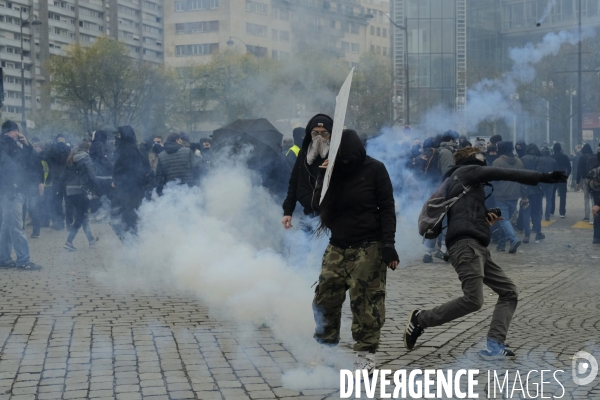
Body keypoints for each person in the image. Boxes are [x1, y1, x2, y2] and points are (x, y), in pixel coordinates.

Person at [403, 147, 567, 359]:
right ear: (473, 161)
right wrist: (543, 177)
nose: (486, 165)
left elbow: (466, 215)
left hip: (476, 245)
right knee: (473, 300)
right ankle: (421, 319)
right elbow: (503, 173)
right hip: (466, 245)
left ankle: (494, 344)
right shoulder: (465, 172)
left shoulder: (464, 183)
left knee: (508, 292)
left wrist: (486, 219)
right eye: (482, 160)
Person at [311, 129, 398, 373]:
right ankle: (325, 348)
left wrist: (388, 245)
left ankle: (365, 354)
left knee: (366, 301)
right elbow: (317, 205)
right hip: (337, 244)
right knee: (325, 297)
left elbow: (387, 208)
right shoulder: (332, 170)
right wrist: (323, 176)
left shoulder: (375, 169)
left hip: (369, 245)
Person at [0, 121, 43, 270]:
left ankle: (4, 259)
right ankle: (23, 260)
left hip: (11, 190)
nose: (18, 134)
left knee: (6, 226)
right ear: (11, 132)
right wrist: (15, 183)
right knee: (17, 227)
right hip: (12, 191)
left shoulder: (13, 145)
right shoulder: (5, 144)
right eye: (15, 132)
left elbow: (32, 162)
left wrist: (27, 145)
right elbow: (10, 166)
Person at [282, 114, 333, 231]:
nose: (319, 137)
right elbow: (294, 182)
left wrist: (330, 170)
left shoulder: (337, 155)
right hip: (307, 214)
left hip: (327, 217)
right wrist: (288, 211)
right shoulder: (304, 153)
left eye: (324, 133)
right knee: (297, 248)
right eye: (315, 133)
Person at [110, 126, 151, 241]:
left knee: (121, 215)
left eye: (118, 135)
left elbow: (127, 169)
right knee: (126, 216)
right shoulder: (133, 148)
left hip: (127, 189)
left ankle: (132, 242)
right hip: (131, 188)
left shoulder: (126, 149)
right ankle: (131, 240)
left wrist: (117, 181)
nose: (117, 138)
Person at [59, 141, 100, 251]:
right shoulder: (86, 158)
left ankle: (91, 240)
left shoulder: (71, 157)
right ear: (87, 149)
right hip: (81, 191)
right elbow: (91, 175)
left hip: (70, 191)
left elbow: (63, 176)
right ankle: (69, 241)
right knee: (81, 216)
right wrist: (98, 188)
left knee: (83, 216)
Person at [492, 141, 526, 253]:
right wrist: (524, 196)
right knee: (505, 221)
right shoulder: (519, 162)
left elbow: (493, 180)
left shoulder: (497, 162)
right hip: (515, 195)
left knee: (503, 220)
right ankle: (501, 245)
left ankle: (513, 239)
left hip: (501, 195)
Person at [44, 134, 72, 230]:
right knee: (68, 202)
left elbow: (45, 157)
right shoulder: (69, 150)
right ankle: (69, 224)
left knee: (57, 202)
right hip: (67, 178)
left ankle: (59, 223)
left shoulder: (52, 150)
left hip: (56, 179)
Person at [520, 144, 545, 243]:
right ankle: (538, 233)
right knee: (536, 212)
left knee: (526, 212)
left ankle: (527, 235)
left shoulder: (522, 159)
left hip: (525, 189)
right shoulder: (539, 159)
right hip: (537, 189)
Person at [89, 130, 113, 215]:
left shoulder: (96, 144)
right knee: (104, 195)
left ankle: (98, 213)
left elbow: (100, 159)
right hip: (103, 175)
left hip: (98, 175)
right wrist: (111, 167)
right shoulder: (102, 144)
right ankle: (102, 213)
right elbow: (103, 159)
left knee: (98, 195)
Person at [25, 139, 45, 238]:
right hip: (28, 183)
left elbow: (40, 169)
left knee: (32, 207)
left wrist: (41, 182)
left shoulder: (32, 154)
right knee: (30, 207)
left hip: (31, 183)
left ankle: (36, 230)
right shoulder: (33, 153)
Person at [576, 143, 598, 223]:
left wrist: (577, 182)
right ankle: (595, 215)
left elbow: (579, 170)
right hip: (594, 179)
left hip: (585, 179)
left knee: (586, 197)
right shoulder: (595, 156)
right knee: (593, 197)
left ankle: (587, 216)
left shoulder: (582, 157)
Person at [550, 143, 571, 218]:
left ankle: (551, 211)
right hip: (562, 176)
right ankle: (562, 212)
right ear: (560, 148)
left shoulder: (551, 157)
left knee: (552, 194)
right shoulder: (565, 157)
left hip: (554, 176)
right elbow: (569, 168)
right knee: (562, 195)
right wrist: (567, 176)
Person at [539, 146, 558, 221]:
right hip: (550, 181)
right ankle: (547, 216)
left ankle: (540, 214)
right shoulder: (553, 161)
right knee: (549, 199)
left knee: (540, 199)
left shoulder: (540, 160)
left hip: (541, 181)